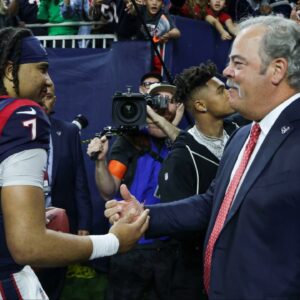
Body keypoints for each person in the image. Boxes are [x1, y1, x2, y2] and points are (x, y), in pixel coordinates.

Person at [104, 15, 300, 298]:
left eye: (238, 63)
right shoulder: (243, 137)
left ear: (277, 70)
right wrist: (145, 215)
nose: (227, 71)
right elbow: (213, 204)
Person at [0, 26, 149, 299]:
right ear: (10, 71)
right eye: (42, 69)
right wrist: (112, 241)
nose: (48, 81)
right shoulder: (22, 114)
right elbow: (27, 245)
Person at [145, 62, 236, 300]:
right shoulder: (181, 159)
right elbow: (181, 224)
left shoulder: (242, 133)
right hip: (197, 274)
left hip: (238, 264)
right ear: (200, 105)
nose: (229, 92)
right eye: (220, 90)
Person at [87, 83, 183, 300]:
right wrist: (100, 162)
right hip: (132, 243)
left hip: (172, 247)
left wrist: (174, 126)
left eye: (170, 101)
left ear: (180, 107)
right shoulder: (131, 140)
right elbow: (108, 189)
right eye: (156, 102)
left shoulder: (185, 144)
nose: (163, 107)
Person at [36, 82, 93, 299]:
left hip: (58, 225)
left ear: (55, 101)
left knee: (53, 284)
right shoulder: (15, 129)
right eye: (39, 96)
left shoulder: (67, 131)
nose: (43, 101)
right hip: (21, 221)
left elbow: (80, 180)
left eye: (48, 97)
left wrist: (84, 223)